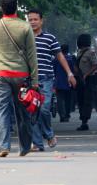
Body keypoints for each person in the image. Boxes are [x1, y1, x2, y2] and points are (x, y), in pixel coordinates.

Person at [0, 0, 39, 157]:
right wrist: (35, 79)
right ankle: (24, 147)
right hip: (21, 74)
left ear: (1, 8)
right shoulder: (25, 27)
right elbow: (32, 55)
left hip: (1, 74)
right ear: (16, 7)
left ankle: (4, 146)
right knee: (23, 111)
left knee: (1, 109)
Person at [27, 9, 76, 151]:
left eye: (35, 19)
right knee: (32, 111)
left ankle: (49, 134)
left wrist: (69, 74)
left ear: (41, 21)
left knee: (43, 109)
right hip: (28, 79)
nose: (33, 22)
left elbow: (60, 56)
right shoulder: (23, 38)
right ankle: (37, 143)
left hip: (46, 78)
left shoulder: (50, 38)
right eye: (30, 19)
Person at [75, 34, 97, 131]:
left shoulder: (91, 52)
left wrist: (86, 75)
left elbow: (95, 65)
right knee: (80, 99)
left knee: (87, 100)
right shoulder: (79, 52)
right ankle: (83, 120)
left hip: (89, 79)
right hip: (80, 79)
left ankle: (85, 121)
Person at [54, 44, 75, 122]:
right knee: (68, 100)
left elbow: (54, 71)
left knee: (60, 100)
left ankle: (62, 115)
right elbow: (72, 71)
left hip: (59, 82)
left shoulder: (56, 60)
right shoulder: (70, 60)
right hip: (68, 82)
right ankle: (67, 115)